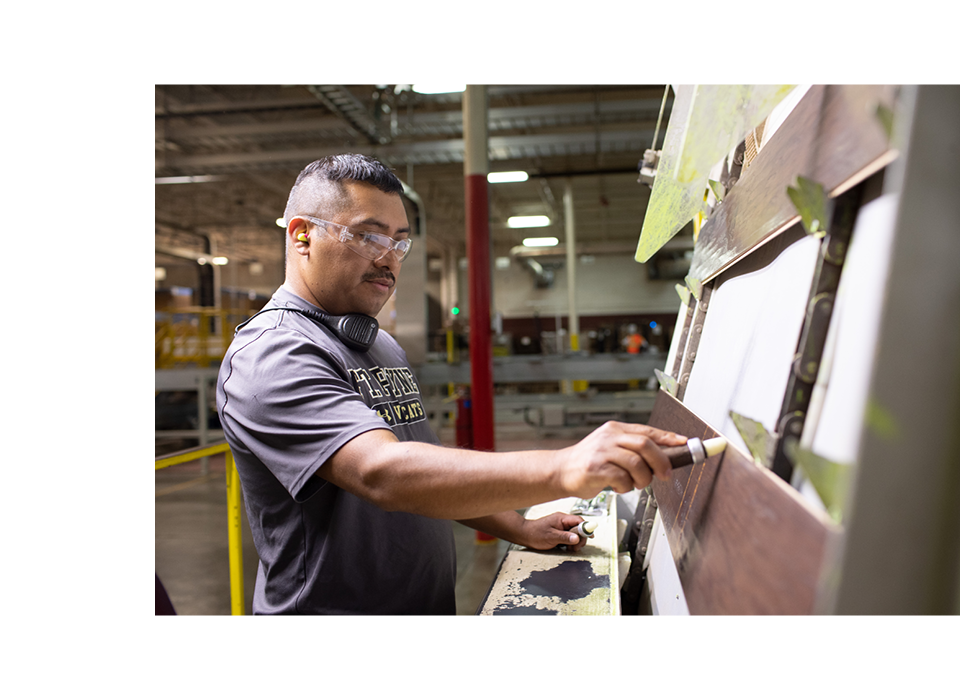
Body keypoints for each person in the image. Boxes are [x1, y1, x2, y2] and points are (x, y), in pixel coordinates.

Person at [216, 154, 686, 622]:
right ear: (303, 236)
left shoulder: (380, 344)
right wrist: (563, 466)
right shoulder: (272, 355)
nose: (388, 258)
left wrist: (519, 526)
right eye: (367, 236)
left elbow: (428, 468)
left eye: (400, 242)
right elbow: (384, 472)